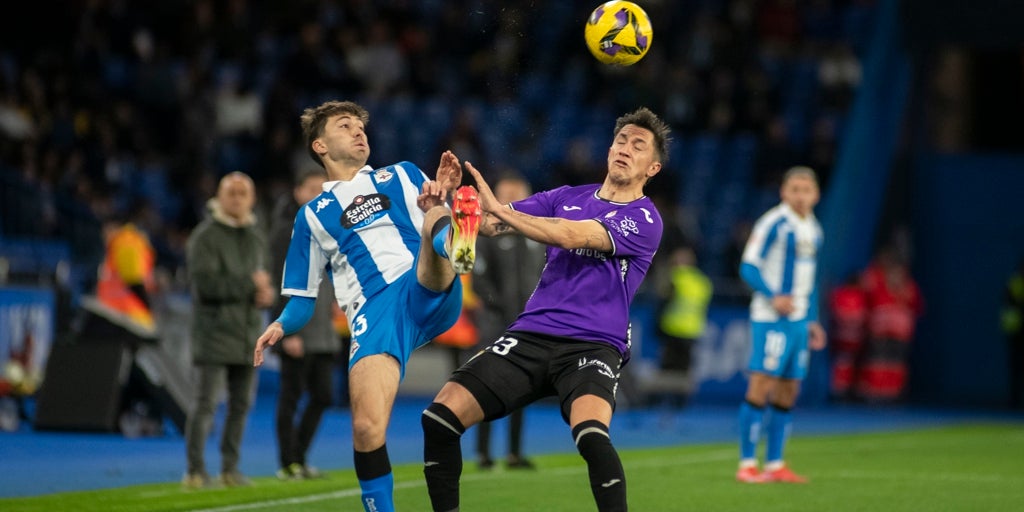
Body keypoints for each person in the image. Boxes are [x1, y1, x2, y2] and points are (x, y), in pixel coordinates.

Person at [422, 107, 670, 512]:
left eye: (638, 145)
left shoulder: (645, 218)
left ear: (653, 167)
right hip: (531, 334)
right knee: (439, 419)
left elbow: (572, 236)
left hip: (592, 344)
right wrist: (451, 201)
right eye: (621, 140)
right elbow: (490, 227)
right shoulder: (566, 196)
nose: (626, 148)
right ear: (609, 149)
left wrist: (504, 210)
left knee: (591, 435)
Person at [252, 100, 479, 512]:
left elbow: (427, 207)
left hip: (421, 283)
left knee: (432, 213)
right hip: (374, 313)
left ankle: (457, 238)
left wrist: (441, 196)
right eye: (345, 126)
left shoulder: (404, 173)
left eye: (361, 126)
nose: (359, 132)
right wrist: (281, 326)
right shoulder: (311, 216)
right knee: (366, 427)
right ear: (319, 146)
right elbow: (302, 297)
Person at [735, 166, 826, 484]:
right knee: (761, 384)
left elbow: (810, 280)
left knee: (789, 390)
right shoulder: (774, 222)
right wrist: (773, 296)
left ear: (816, 195)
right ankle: (747, 464)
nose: (801, 195)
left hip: (800, 322)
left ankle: (774, 464)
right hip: (771, 318)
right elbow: (748, 266)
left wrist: (813, 319)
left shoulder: (814, 228)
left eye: (807, 190)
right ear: (784, 192)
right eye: (795, 189)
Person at [183, 171, 274, 489]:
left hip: (248, 335)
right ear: (219, 198)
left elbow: (264, 281)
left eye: (243, 193)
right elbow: (204, 286)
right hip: (214, 333)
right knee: (205, 403)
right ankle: (195, 470)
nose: (237, 198)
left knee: (241, 405)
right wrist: (250, 286)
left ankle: (229, 469)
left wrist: (266, 295)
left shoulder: (256, 236)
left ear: (252, 199)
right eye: (231, 192)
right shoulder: (204, 237)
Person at [267, 168, 343, 480]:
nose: (318, 195)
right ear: (298, 193)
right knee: (291, 397)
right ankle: (288, 463)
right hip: (296, 329)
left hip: (323, 330)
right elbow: (276, 282)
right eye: (311, 189)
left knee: (324, 395)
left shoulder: (327, 229)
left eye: (322, 190)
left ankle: (298, 457)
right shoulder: (286, 231)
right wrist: (286, 332)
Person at [470, 173, 546, 471]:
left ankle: (514, 453)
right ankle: (483, 453)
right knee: (486, 384)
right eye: (507, 195)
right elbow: (478, 279)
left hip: (528, 324)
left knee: (522, 388)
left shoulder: (538, 234)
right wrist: (498, 307)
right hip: (494, 323)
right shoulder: (487, 234)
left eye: (519, 195)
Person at [855, 246, 923, 402]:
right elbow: (865, 294)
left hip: (900, 329)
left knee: (895, 362)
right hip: (881, 327)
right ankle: (874, 393)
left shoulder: (907, 283)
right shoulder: (875, 277)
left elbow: (917, 304)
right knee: (878, 360)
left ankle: (892, 394)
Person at [653, 246, 712, 410]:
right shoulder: (702, 281)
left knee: (667, 367)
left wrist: (656, 326)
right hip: (692, 330)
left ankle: (662, 402)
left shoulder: (673, 278)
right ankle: (682, 403)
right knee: (685, 368)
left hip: (671, 329)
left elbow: (663, 302)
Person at [1001, 257, 1024, 409]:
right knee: (1015, 367)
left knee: (1016, 367)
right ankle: (1015, 399)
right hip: (1015, 331)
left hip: (1014, 330)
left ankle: (1015, 399)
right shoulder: (1015, 284)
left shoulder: (1014, 283)